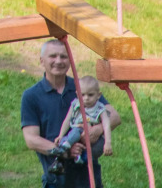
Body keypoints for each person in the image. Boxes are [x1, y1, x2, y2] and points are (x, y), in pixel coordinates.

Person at [21, 39, 120, 187]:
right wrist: (64, 151)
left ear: (70, 61)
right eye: (53, 56)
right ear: (42, 61)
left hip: (88, 175)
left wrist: (96, 130)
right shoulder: (32, 96)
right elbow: (31, 139)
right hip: (56, 176)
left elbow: (115, 116)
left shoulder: (83, 88)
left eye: (63, 56)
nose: (59, 61)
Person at [47, 76, 115, 182]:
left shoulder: (100, 108)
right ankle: (62, 154)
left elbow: (106, 125)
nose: (86, 98)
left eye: (90, 95)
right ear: (77, 94)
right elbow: (67, 120)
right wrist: (60, 135)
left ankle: (80, 157)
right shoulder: (75, 104)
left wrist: (108, 143)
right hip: (77, 133)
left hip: (94, 140)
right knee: (72, 133)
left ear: (98, 95)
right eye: (82, 95)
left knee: (92, 152)